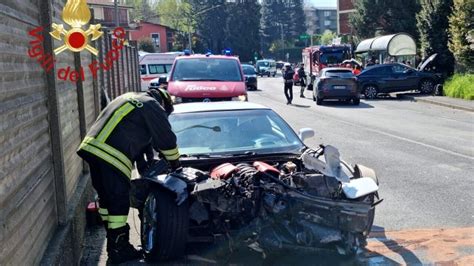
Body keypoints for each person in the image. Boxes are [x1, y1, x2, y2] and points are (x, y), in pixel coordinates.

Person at [77, 88, 181, 264]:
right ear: (163, 103)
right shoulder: (152, 105)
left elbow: (138, 142)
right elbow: (167, 140)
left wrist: (146, 169)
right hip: (111, 153)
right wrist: (176, 165)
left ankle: (113, 242)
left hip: (91, 148)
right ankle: (119, 249)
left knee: (106, 198)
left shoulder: (130, 99)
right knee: (119, 200)